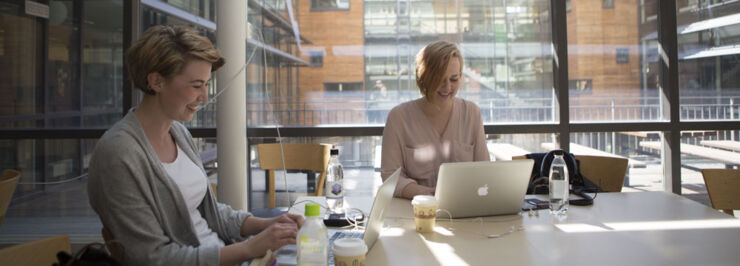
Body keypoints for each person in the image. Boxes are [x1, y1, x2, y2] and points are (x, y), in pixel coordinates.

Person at [87, 25, 303, 266]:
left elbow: (207, 214)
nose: (205, 97)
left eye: (207, 84)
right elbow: (152, 258)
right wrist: (250, 248)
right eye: (196, 85)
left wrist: (268, 225)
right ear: (156, 81)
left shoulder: (177, 133)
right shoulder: (119, 154)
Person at [380, 40, 489, 199]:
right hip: (415, 211)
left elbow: (484, 171)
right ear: (423, 77)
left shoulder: (471, 113)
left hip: (465, 210)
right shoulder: (399, 118)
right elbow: (390, 178)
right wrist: (428, 194)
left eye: (453, 79)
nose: (447, 87)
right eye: (439, 79)